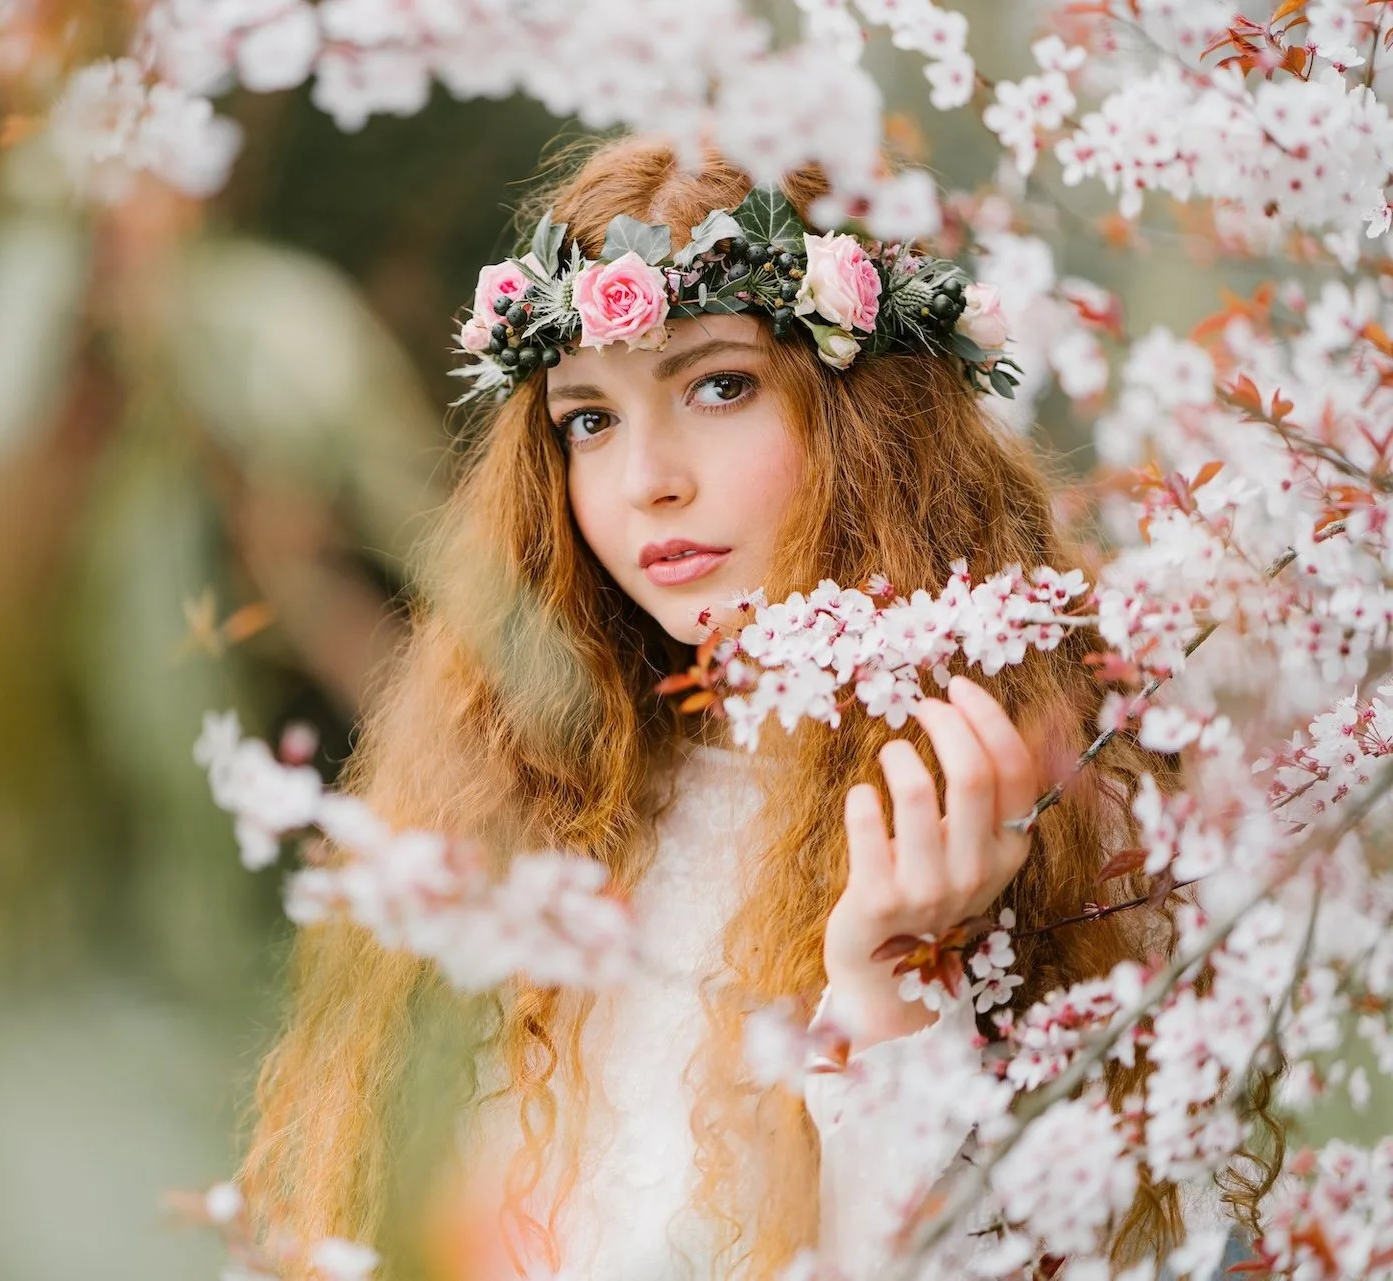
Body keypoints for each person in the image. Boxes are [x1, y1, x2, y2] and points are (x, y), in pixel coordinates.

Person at [240, 137, 1222, 1279]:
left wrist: (894, 1001)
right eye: (589, 419)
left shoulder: (1059, 811)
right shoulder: (536, 797)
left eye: (719, 386)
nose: (647, 479)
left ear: (869, 421)